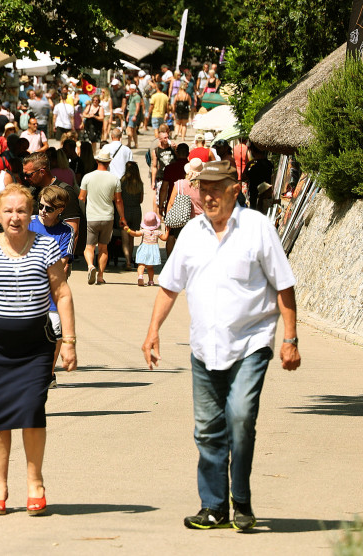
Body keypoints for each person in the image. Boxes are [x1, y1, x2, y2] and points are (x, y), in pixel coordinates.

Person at [142, 160, 301, 531]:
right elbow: (169, 286)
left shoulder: (257, 228)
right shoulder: (192, 233)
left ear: (234, 188)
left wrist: (290, 338)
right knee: (208, 430)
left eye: (217, 188)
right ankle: (213, 505)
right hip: (204, 348)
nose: (209, 196)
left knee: (241, 419)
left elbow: (284, 285)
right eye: (203, 189)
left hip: (251, 343)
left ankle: (240, 499)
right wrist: (153, 331)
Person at [0, 184, 76, 517]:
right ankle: (0, 487)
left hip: (37, 346)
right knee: (1, 417)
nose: (15, 217)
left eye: (21, 210)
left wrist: (68, 342)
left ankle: (35, 483)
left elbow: (62, 294)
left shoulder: (47, 247)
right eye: (8, 211)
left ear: (30, 213)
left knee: (33, 411)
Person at [29, 184, 76, 386]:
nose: (43, 212)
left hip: (53, 293)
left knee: (55, 333)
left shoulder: (66, 231)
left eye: (49, 209)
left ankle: (47, 373)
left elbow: (63, 264)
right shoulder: (28, 223)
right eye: (40, 206)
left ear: (60, 209)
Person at [22, 152, 81, 273]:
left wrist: (65, 264)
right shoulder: (32, 191)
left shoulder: (65, 192)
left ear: (42, 172)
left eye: (29, 175)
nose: (26, 178)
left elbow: (73, 230)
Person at [79, 148, 126, 285]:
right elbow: (118, 200)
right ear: (109, 162)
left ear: (97, 160)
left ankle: (90, 266)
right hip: (108, 217)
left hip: (92, 217)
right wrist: (122, 217)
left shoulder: (87, 177)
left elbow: (81, 198)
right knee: (104, 248)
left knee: (89, 247)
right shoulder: (115, 179)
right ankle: (100, 275)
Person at [125, 211, 166, 287]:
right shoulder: (157, 232)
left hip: (144, 249)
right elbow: (164, 238)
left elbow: (135, 234)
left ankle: (140, 277)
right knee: (150, 267)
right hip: (153, 250)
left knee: (141, 265)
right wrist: (168, 231)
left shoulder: (143, 231)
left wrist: (128, 230)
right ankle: (151, 281)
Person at [119, 161, 145, 269]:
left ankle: (127, 261)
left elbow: (118, 197)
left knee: (124, 238)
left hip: (124, 210)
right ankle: (131, 256)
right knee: (131, 238)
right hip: (136, 211)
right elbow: (141, 200)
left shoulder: (122, 181)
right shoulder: (139, 183)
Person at [148, 127, 175, 208]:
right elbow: (154, 166)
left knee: (172, 199)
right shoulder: (156, 150)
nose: (167, 139)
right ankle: (159, 218)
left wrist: (176, 148)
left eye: (168, 137)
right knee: (159, 200)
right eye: (165, 138)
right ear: (160, 139)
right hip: (162, 177)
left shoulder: (172, 148)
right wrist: (153, 182)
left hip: (173, 177)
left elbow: (179, 158)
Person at [124, 83, 144, 149]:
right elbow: (130, 107)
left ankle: (129, 143)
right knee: (134, 130)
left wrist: (135, 115)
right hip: (131, 114)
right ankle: (136, 144)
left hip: (134, 115)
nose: (129, 90)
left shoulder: (137, 97)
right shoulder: (131, 96)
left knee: (129, 128)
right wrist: (127, 115)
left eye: (130, 89)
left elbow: (137, 106)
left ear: (133, 90)